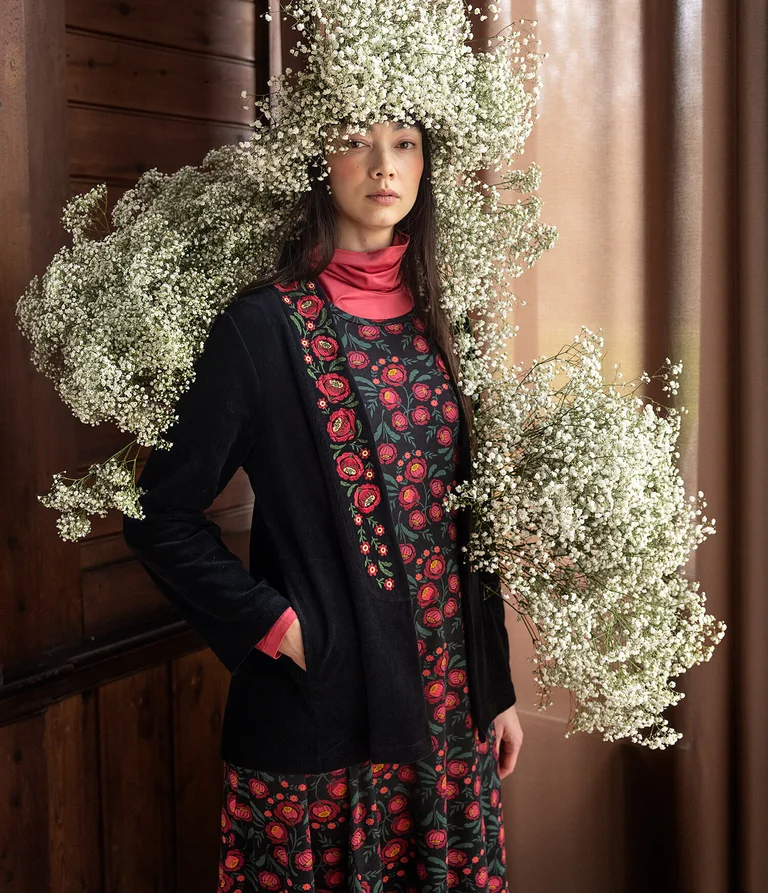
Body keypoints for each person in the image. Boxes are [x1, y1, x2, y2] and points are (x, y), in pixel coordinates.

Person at [123, 117, 523, 893]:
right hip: (324, 712)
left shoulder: (449, 320)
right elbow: (158, 513)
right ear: (316, 161)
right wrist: (281, 628)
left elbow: (472, 521)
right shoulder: (261, 327)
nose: (383, 166)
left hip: (448, 716)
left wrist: (495, 685)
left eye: (404, 143)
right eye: (355, 140)